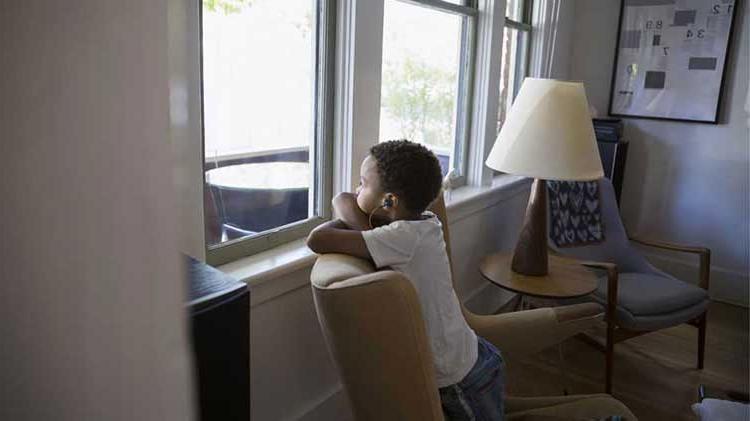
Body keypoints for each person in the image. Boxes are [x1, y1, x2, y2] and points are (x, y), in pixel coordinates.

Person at [307, 139, 505, 420]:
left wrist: (356, 218)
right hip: (469, 352)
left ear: (389, 201)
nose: (356, 189)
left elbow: (318, 237)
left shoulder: (401, 239)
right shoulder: (425, 222)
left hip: (457, 375)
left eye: (362, 183)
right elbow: (345, 202)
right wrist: (368, 219)